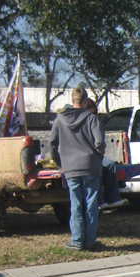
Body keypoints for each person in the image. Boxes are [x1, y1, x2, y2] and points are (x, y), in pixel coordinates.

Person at [49, 87, 105, 251]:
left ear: (72, 100)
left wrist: (60, 163)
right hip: (90, 167)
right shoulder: (91, 119)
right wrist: (97, 158)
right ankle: (90, 240)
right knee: (91, 204)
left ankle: (77, 241)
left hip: (70, 168)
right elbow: (100, 142)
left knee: (75, 204)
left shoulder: (60, 119)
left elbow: (52, 144)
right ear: (86, 101)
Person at [84, 98, 124, 211]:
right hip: (85, 156)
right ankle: (99, 199)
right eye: (89, 114)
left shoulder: (96, 125)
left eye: (94, 113)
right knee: (96, 167)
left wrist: (99, 155)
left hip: (96, 154)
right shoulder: (81, 125)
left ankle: (113, 198)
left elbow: (100, 143)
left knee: (110, 164)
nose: (92, 116)